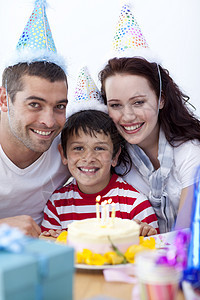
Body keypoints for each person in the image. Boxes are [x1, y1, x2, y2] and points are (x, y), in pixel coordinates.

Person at [99, 56, 200, 233]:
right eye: (115, 105)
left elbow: (185, 234)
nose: (128, 116)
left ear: (161, 99)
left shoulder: (190, 152)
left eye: (138, 102)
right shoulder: (115, 160)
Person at [0, 0, 70, 237]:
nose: (49, 122)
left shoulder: (70, 146)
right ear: (4, 99)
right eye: (35, 105)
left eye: (59, 106)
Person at [41, 109, 159, 237]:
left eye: (99, 148)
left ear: (115, 156)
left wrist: (146, 235)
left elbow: (155, 249)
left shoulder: (135, 204)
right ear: (64, 154)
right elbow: (47, 249)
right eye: (78, 148)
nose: (89, 157)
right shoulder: (57, 204)